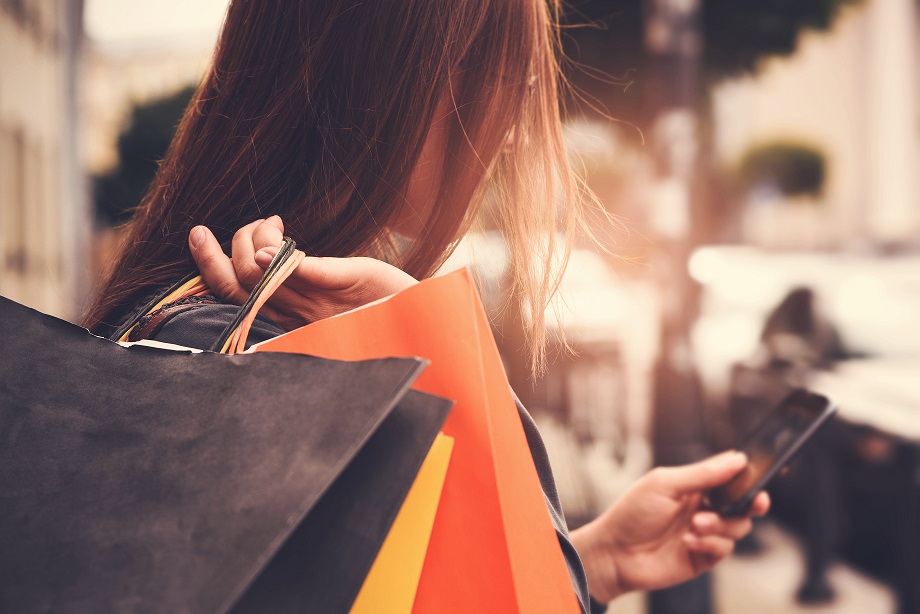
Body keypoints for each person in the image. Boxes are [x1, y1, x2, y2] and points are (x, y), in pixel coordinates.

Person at [84, 1, 768, 611]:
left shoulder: (195, 338)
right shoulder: (257, 371)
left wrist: (593, 562)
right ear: (399, 80)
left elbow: (403, 591)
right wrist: (439, 353)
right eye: (514, 78)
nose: (513, 126)